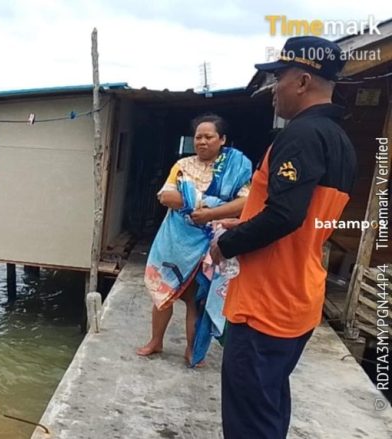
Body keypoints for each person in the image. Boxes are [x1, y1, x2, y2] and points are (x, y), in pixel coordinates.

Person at [211, 36, 357, 438]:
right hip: (297, 297)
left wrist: (226, 244)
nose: (273, 89)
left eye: (279, 77)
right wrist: (245, 223)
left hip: (265, 305)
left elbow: (285, 216)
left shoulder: (300, 135)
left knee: (248, 424)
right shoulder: (340, 142)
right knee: (268, 409)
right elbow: (303, 217)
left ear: (303, 81)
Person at [139, 114, 252, 366]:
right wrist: (202, 204)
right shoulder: (182, 165)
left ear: (222, 140)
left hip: (207, 243)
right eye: (198, 137)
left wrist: (209, 213)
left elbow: (245, 202)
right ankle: (155, 341)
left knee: (195, 299)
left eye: (208, 137)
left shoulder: (236, 167)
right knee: (162, 291)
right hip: (174, 239)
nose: (202, 142)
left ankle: (191, 350)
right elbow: (166, 196)